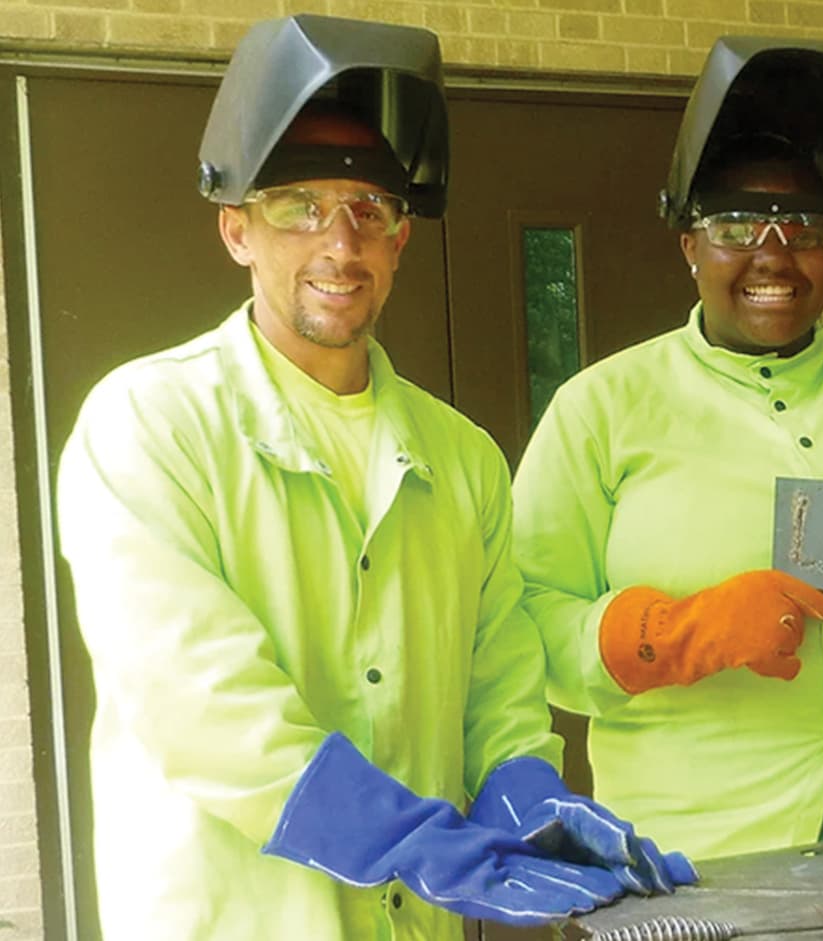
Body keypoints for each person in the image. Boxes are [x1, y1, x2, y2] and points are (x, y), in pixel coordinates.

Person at [55, 15, 691, 941]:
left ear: (401, 238)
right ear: (235, 228)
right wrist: (413, 841)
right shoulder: (149, 426)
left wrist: (527, 797)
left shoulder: (462, 457)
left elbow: (501, 689)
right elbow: (200, 703)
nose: (339, 243)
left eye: (369, 209)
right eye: (299, 206)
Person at [511, 36, 823, 862]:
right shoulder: (598, 412)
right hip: (705, 851)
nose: (774, 251)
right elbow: (525, 628)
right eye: (734, 223)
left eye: (803, 225)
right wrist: (677, 631)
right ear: (688, 244)